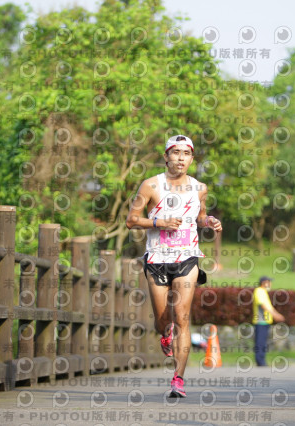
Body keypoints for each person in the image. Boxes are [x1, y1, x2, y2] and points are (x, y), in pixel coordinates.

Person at [126, 134, 222, 397]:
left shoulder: (199, 188)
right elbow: (131, 220)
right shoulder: (151, 185)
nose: (181, 158)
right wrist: (160, 223)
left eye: (186, 153)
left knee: (182, 317)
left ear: (192, 158)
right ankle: (164, 333)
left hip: (187, 258)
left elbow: (200, 217)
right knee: (163, 321)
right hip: (157, 259)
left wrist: (210, 221)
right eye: (176, 152)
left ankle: (178, 379)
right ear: (166, 156)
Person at [252, 276, 285, 366]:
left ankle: (262, 360)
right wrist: (275, 315)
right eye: (269, 282)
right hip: (260, 321)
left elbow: (269, 307)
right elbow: (263, 305)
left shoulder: (263, 292)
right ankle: (260, 361)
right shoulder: (259, 291)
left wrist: (276, 314)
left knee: (263, 342)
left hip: (265, 321)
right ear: (264, 282)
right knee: (260, 342)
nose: (270, 284)